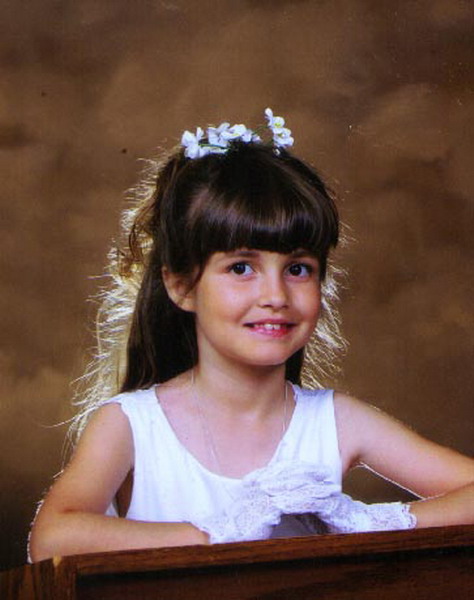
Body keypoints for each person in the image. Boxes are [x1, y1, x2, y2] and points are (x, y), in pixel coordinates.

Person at [29, 109, 474, 562]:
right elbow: (52, 538)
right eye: (241, 268)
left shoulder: (337, 422)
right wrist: (219, 535)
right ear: (181, 286)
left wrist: (370, 524)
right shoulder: (131, 425)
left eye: (298, 269)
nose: (275, 295)